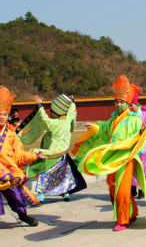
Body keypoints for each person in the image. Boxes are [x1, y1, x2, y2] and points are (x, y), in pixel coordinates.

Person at [73, 75, 146, 231]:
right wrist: (95, 127)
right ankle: (132, 212)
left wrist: (126, 146)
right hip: (113, 159)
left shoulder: (133, 119)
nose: (118, 104)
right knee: (112, 186)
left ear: (128, 104)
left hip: (126, 158)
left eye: (121, 102)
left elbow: (138, 137)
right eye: (116, 102)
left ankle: (123, 219)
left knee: (123, 189)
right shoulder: (112, 120)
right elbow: (103, 130)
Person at [19, 94, 86, 202]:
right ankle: (65, 193)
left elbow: (45, 119)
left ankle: (41, 194)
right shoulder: (68, 121)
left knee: (45, 172)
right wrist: (72, 102)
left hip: (52, 155)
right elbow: (72, 112)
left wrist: (40, 105)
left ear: (55, 113)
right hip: (63, 155)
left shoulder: (55, 123)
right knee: (63, 174)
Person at [0, 87, 41, 226]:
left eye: (4, 114)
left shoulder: (11, 135)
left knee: (16, 196)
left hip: (8, 172)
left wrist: (34, 155)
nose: (1, 117)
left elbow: (18, 155)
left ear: (8, 116)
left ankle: (23, 215)